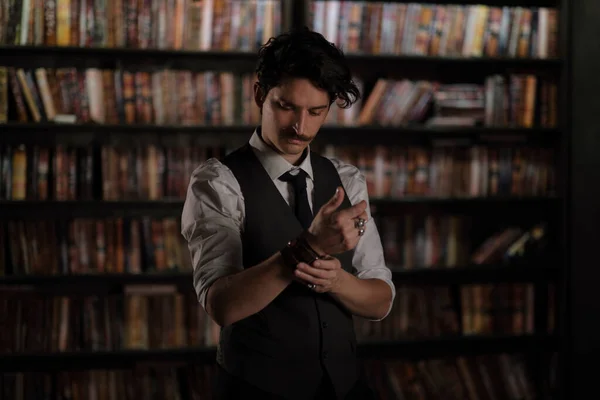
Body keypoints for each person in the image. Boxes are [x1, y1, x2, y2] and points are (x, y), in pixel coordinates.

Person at [181, 27, 395, 400]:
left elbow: (380, 300)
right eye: (286, 106)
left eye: (316, 111)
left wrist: (337, 281)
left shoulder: (347, 180)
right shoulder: (218, 182)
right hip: (255, 391)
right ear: (260, 94)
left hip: (343, 389)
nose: (301, 126)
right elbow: (221, 305)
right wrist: (307, 248)